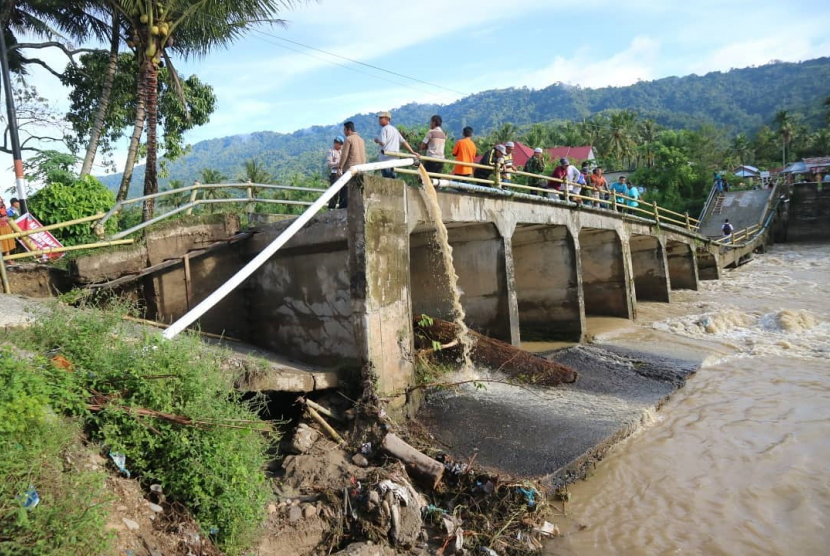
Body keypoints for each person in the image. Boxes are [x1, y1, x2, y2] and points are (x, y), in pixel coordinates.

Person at [374, 110, 417, 178]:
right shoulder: (394, 130)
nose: (379, 120)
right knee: (393, 179)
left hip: (385, 160)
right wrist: (412, 151)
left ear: (387, 119)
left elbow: (383, 143)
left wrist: (377, 140)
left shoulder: (384, 129)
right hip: (395, 160)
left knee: (387, 181)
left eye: (381, 118)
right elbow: (403, 142)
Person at [336, 121, 366, 209]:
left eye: (344, 130)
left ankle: (343, 207)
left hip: (350, 168)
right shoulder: (361, 140)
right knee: (357, 189)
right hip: (361, 168)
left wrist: (340, 167)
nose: (344, 132)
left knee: (345, 190)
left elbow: (344, 155)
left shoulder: (348, 139)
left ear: (349, 130)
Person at [325, 136, 344, 209]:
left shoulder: (343, 151)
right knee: (335, 191)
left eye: (339, 143)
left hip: (343, 173)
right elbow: (329, 163)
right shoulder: (331, 151)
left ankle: (341, 208)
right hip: (335, 173)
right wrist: (338, 164)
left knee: (343, 191)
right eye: (336, 143)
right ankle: (331, 207)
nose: (337, 144)